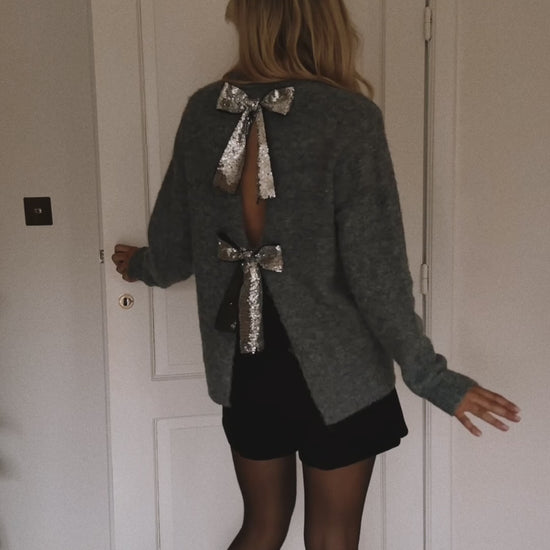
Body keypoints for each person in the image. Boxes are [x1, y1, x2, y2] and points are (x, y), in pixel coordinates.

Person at [112, 1, 521, 548]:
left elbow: (172, 252)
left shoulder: (204, 112)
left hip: (247, 364)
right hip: (341, 373)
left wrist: (140, 265)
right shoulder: (347, 117)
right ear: (326, 24)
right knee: (332, 536)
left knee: (261, 526)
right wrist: (431, 378)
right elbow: (377, 276)